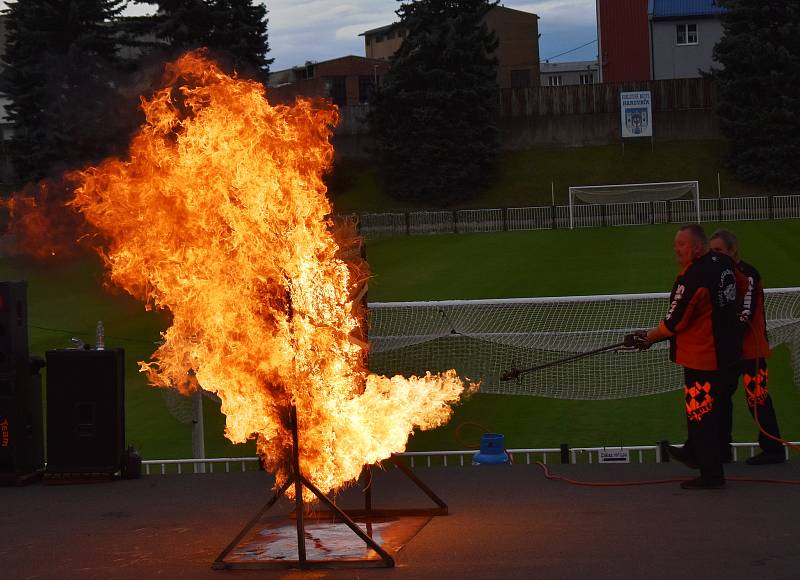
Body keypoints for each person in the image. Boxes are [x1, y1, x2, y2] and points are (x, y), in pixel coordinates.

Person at [626, 224, 741, 489]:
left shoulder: (693, 279)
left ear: (697, 247)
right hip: (728, 353)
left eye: (681, 244)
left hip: (703, 358)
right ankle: (694, 453)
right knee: (715, 412)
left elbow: (674, 323)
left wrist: (648, 338)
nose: (675, 249)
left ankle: (711, 475)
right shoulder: (723, 262)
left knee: (700, 414)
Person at [709, 229, 785, 465]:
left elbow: (746, 312)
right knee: (719, 397)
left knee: (758, 399)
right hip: (730, 351)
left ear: (733, 250)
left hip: (751, 350)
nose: (715, 255)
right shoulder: (720, 273)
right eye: (712, 251)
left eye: (719, 250)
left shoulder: (748, 273)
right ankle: (722, 450)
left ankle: (773, 450)